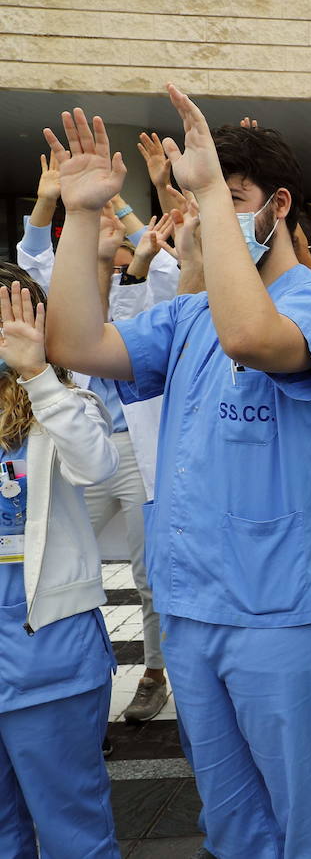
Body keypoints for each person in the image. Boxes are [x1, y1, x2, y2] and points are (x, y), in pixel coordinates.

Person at [43, 94, 311, 858]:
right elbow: (74, 342)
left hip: (282, 613)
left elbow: (250, 335)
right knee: (231, 824)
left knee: (308, 830)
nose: (208, 220)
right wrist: (80, 215)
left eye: (234, 201)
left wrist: (210, 190)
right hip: (192, 610)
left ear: (278, 207)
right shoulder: (187, 317)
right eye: (206, 203)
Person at [18, 152, 177, 724]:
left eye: (120, 232)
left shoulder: (149, 291)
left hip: (135, 448)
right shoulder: (64, 292)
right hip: (70, 445)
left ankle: (154, 673)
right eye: (98, 225)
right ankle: (68, 680)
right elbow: (32, 263)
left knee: (150, 571)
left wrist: (133, 234)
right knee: (49, 556)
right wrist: (48, 201)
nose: (110, 232)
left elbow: (175, 270)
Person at [0, 269, 120, 858]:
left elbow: (95, 466)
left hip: (48, 653)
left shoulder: (67, 405)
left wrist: (36, 376)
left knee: (72, 830)